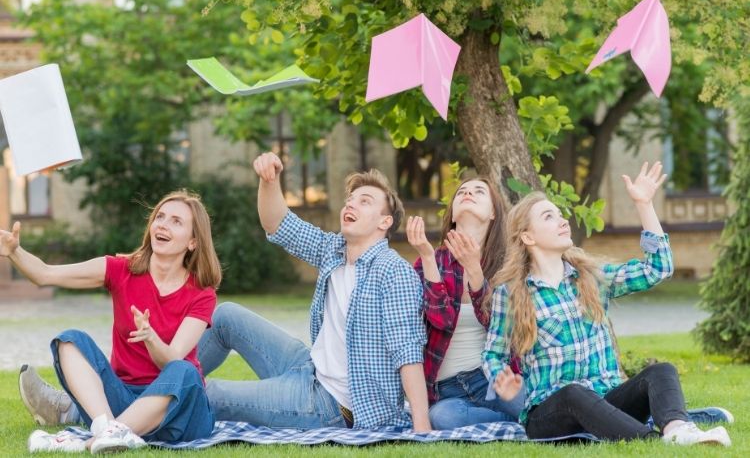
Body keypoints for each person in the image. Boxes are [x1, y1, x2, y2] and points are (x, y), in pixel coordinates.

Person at [483, 162, 731, 446]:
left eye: (561, 215)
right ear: (527, 236)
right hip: (550, 413)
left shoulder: (592, 278)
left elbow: (658, 269)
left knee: (661, 371)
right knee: (574, 393)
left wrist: (644, 205)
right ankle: (648, 440)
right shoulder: (511, 292)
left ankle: (678, 430)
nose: (563, 220)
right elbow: (493, 354)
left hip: (608, 401)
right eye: (549, 217)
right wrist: (503, 381)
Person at [194, 152, 430, 430]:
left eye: (364, 201)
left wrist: (421, 424)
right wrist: (269, 180)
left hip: (331, 404)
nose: (350, 205)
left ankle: (149, 405)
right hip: (307, 366)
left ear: (384, 222)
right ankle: (152, 384)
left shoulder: (394, 271)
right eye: (350, 200)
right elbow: (277, 224)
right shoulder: (334, 251)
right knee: (226, 317)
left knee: (213, 394)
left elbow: (408, 352)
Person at [3, 190, 221, 453]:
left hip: (180, 410)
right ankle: (108, 431)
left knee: (184, 371)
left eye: (176, 221)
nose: (162, 224)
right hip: (124, 400)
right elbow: (44, 274)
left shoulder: (201, 293)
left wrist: (151, 338)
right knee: (69, 340)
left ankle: (94, 439)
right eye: (160, 217)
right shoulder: (121, 269)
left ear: (193, 242)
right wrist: (14, 252)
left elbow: (172, 358)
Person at [406, 177, 524, 429]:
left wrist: (474, 270)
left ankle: (525, 417)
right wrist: (426, 257)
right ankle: (524, 424)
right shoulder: (431, 261)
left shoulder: (509, 264)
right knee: (441, 418)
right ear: (453, 214)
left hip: (494, 380)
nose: (468, 193)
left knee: (526, 400)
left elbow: (502, 327)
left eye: (478, 191)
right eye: (462, 192)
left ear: (493, 212)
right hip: (448, 390)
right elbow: (442, 320)